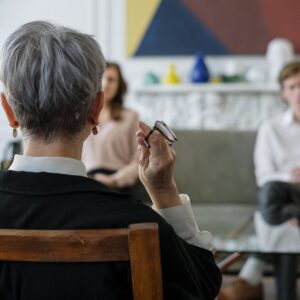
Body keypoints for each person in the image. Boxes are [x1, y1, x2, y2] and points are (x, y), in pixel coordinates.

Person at [0, 21, 221, 300]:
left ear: (9, 111)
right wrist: (165, 193)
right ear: (96, 108)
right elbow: (203, 287)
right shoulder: (137, 223)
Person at [219, 61, 300, 300]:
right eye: (293, 86)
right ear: (284, 92)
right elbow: (264, 175)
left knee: (269, 217)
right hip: (280, 193)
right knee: (271, 192)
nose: (298, 92)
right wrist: (289, 176)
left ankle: (251, 276)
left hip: (285, 206)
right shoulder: (270, 128)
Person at [82, 62, 139, 194]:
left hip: (118, 184)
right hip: (86, 182)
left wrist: (115, 180)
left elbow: (138, 161)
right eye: (101, 77)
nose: (106, 84)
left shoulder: (131, 117)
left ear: (119, 86)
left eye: (111, 79)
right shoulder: (81, 116)